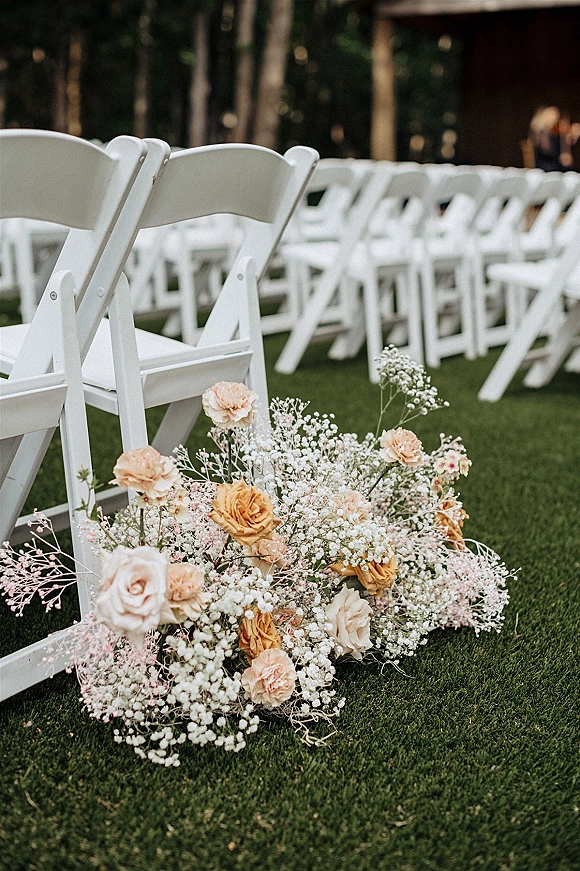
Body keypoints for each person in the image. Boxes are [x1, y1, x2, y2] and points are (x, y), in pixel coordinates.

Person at [529, 105, 580, 171]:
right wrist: (560, 156)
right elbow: (546, 150)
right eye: (552, 116)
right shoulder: (541, 133)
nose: (555, 119)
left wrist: (572, 137)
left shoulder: (557, 132)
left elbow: (563, 143)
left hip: (557, 164)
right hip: (546, 164)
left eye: (556, 116)